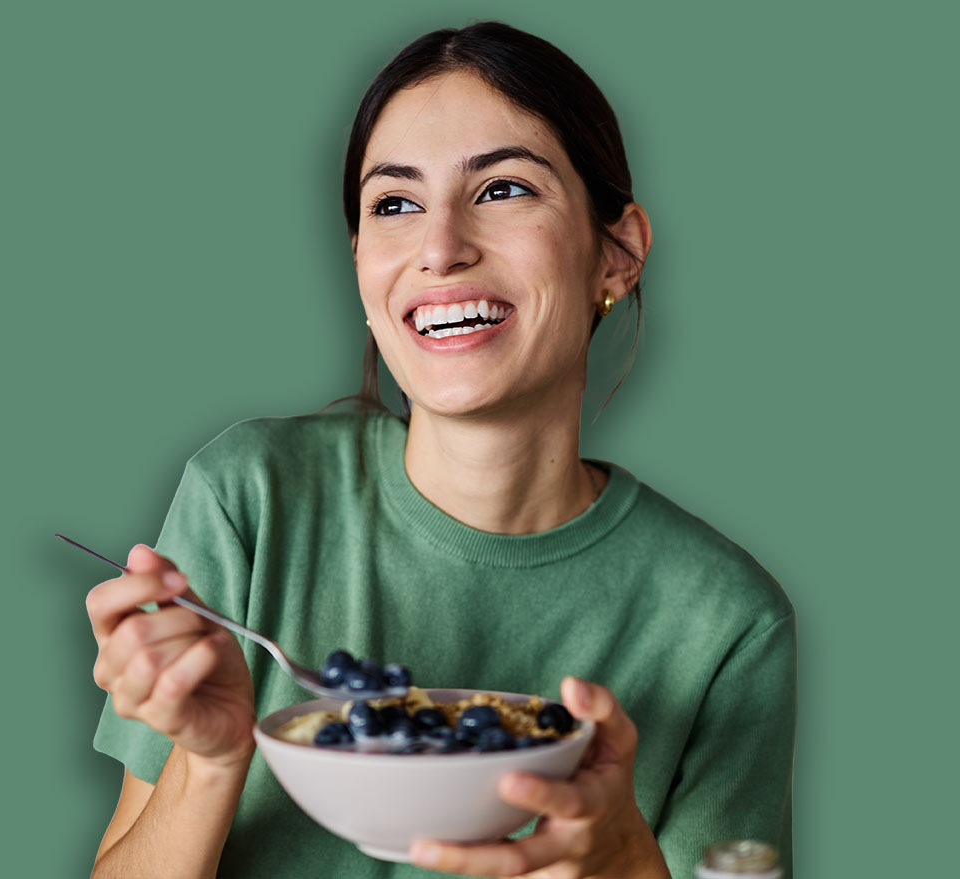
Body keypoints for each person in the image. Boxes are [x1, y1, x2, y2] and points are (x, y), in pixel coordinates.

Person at [86, 21, 795, 879]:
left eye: (502, 189)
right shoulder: (251, 497)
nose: (439, 247)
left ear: (619, 253)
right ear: (361, 265)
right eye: (394, 204)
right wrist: (210, 759)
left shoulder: (725, 620)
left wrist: (626, 868)